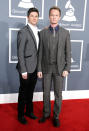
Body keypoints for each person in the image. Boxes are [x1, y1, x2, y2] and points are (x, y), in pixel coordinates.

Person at [37, 6, 71, 127]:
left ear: (59, 17)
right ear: (49, 16)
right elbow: (40, 52)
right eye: (52, 15)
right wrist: (39, 68)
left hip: (59, 69)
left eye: (56, 15)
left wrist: (67, 68)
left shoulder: (66, 33)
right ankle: (46, 114)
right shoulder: (43, 33)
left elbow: (68, 52)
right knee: (46, 93)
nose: (54, 17)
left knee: (58, 94)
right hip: (46, 68)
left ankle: (56, 116)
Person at [16, 7, 39, 124]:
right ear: (27, 17)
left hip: (35, 68)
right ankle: (20, 115)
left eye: (36, 16)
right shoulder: (23, 31)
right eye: (32, 16)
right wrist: (23, 70)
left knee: (31, 92)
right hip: (26, 69)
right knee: (23, 93)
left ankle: (29, 112)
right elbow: (20, 52)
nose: (34, 18)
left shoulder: (38, 31)